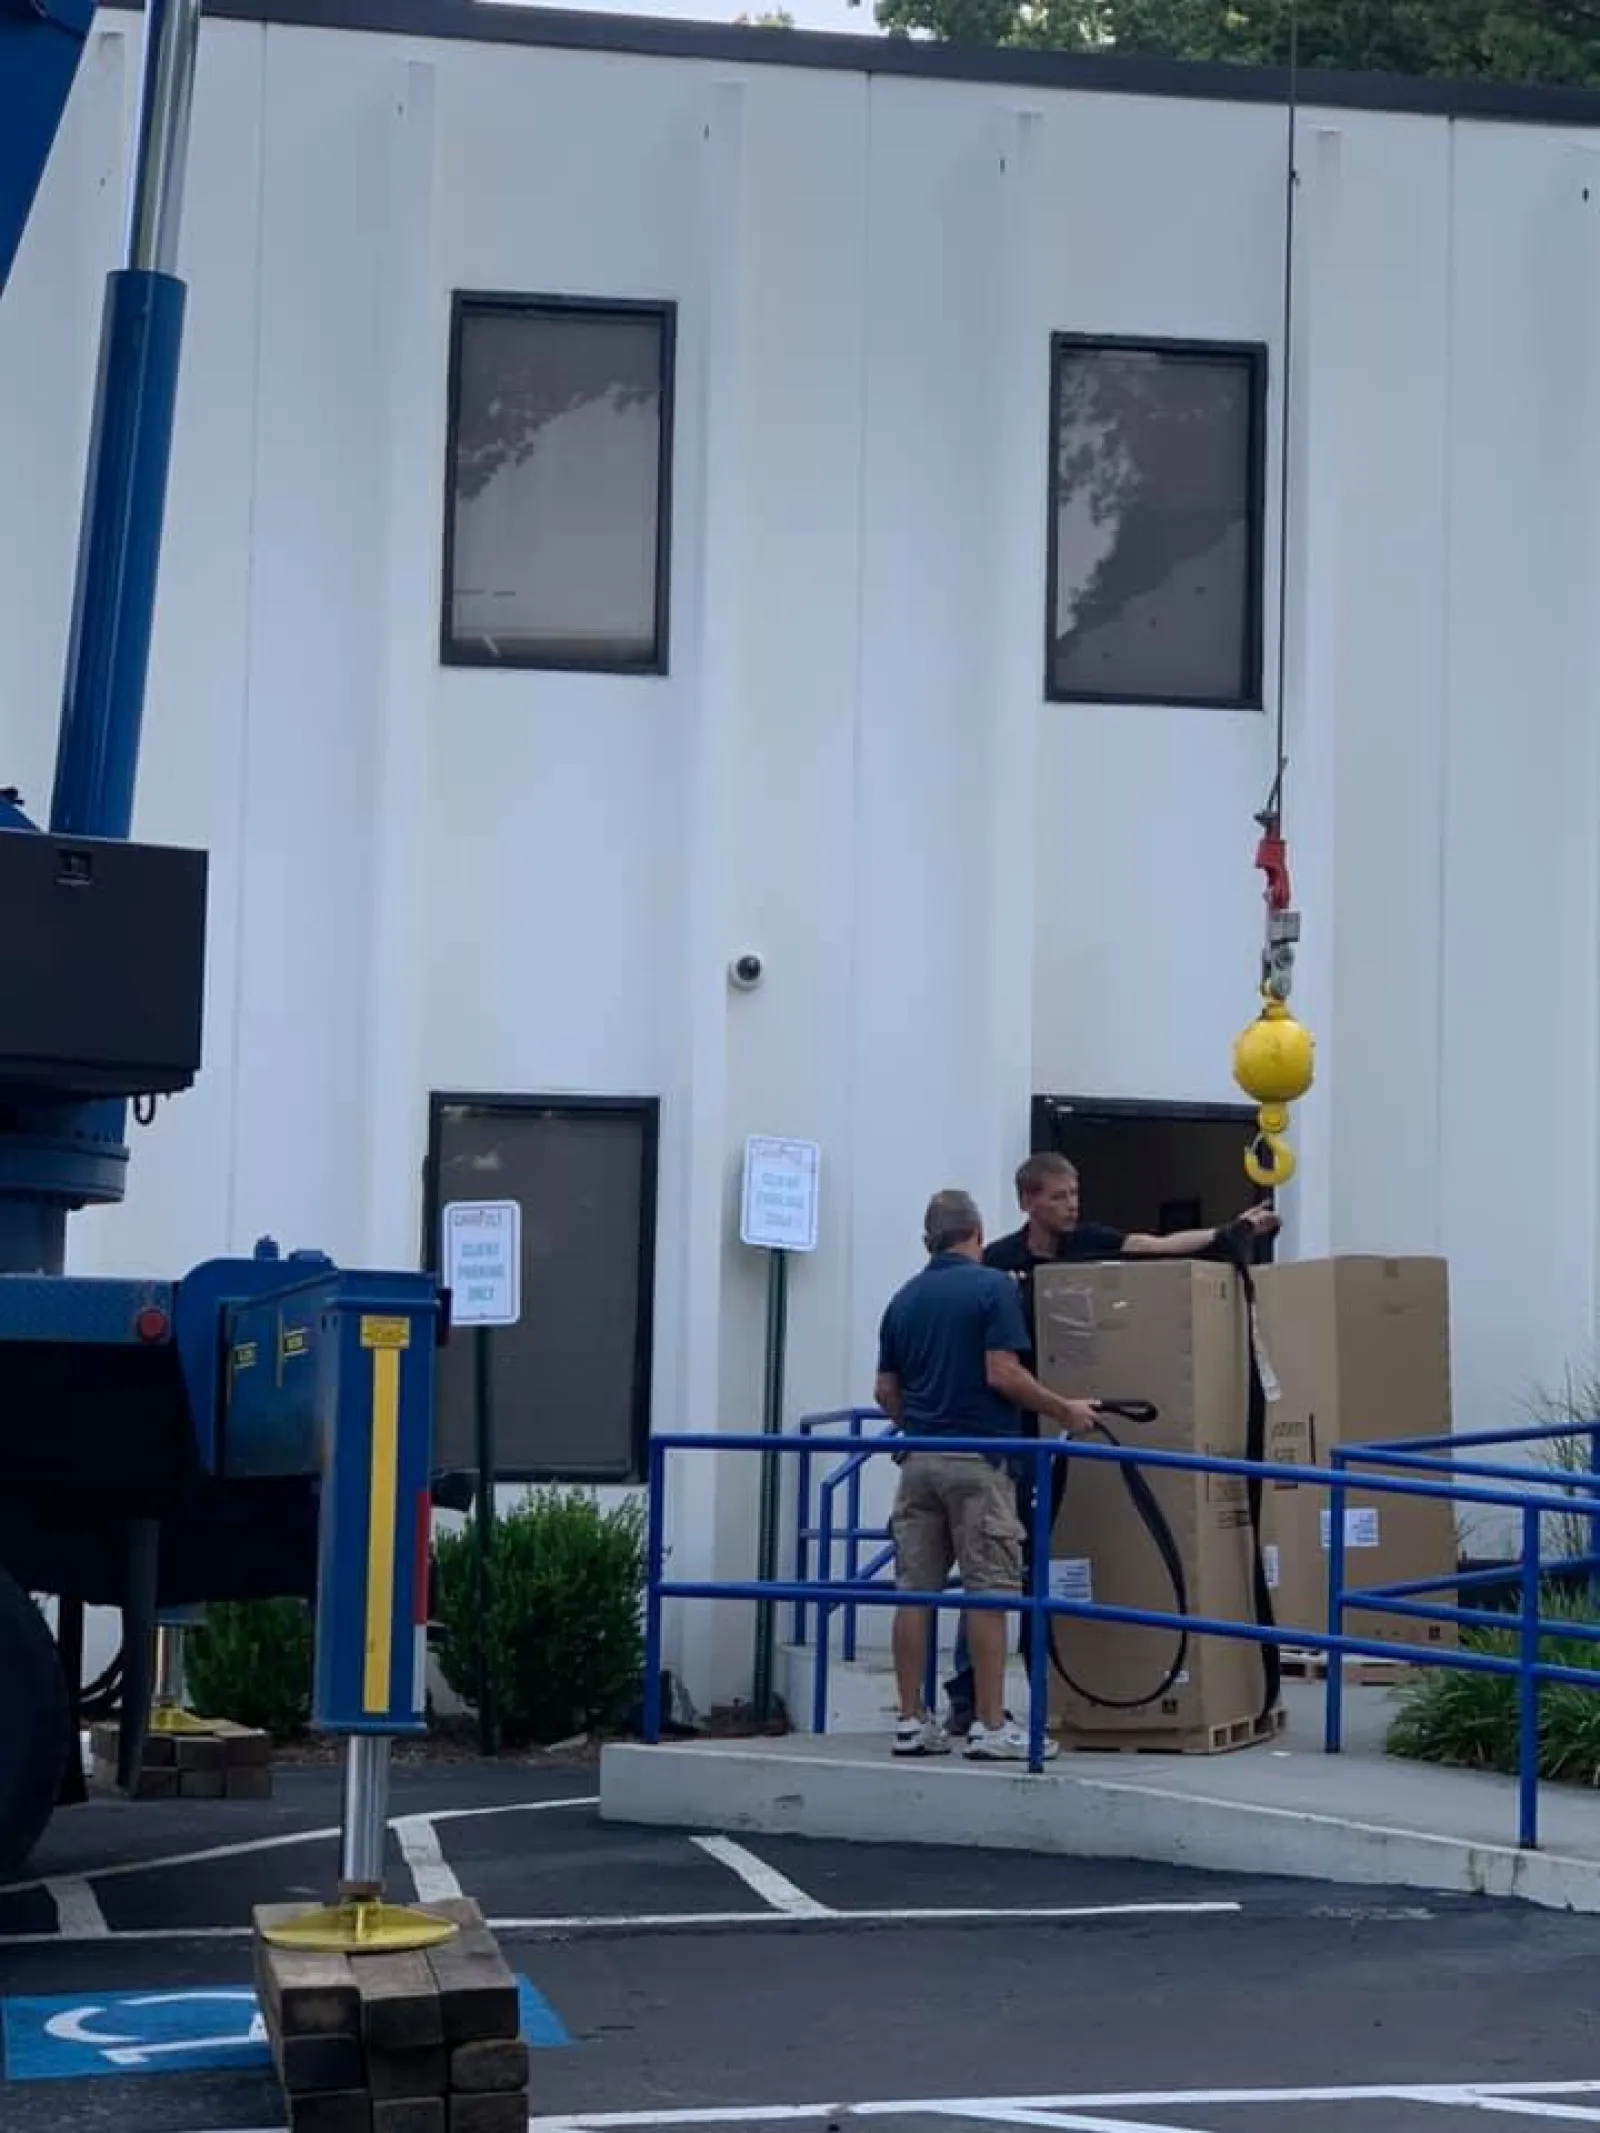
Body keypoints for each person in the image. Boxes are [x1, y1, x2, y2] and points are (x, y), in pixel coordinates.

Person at [943, 1151, 1282, 1734]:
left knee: (1057, 1564)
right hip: (1014, 1438)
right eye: (1058, 1197)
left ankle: (1063, 1686)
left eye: (1075, 1194)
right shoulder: (998, 1264)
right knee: (992, 1571)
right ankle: (969, 1698)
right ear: (1028, 1200)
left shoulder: (1090, 1243)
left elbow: (1152, 1245)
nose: (1071, 1205)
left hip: (1077, 1432)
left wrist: (1230, 1233)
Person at [874, 1188, 1100, 1762]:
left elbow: (885, 1391)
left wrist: (920, 1425)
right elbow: (1002, 1372)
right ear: (975, 1232)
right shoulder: (993, 1287)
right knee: (989, 1592)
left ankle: (910, 1719)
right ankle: (991, 1723)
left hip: (917, 1463)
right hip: (980, 1461)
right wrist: (1064, 1410)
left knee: (914, 1593)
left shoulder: (903, 1299)